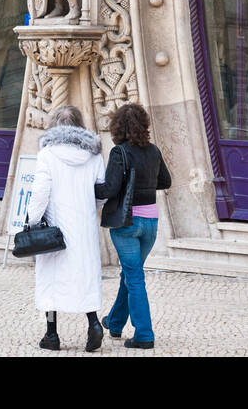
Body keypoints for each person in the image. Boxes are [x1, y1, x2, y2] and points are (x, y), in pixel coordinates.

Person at [27, 104, 106, 352]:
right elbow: (101, 192)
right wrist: (87, 206)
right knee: (85, 275)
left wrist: (32, 220)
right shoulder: (93, 154)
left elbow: (40, 192)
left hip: (55, 226)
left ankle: (51, 335)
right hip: (84, 226)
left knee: (51, 278)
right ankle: (93, 324)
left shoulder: (47, 154)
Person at [96, 102, 172, 350]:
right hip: (150, 223)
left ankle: (144, 334)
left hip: (127, 223)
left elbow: (109, 189)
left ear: (117, 127)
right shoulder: (153, 151)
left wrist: (85, 186)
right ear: (144, 124)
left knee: (134, 276)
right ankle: (115, 323)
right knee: (129, 273)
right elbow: (166, 181)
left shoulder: (120, 153)